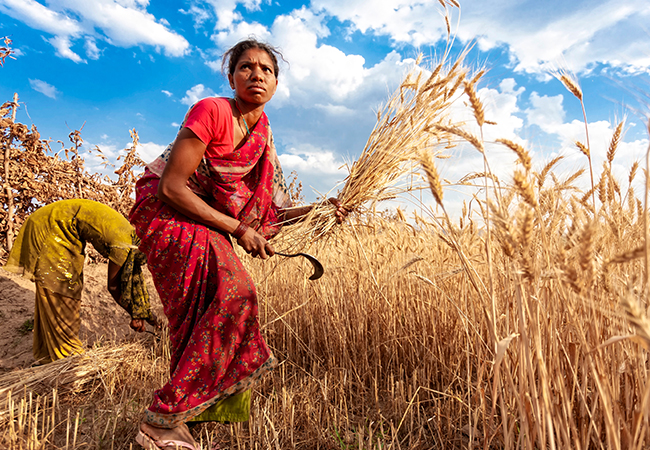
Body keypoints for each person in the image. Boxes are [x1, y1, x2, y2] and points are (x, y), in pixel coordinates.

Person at [129, 38, 347, 450]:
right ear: (232, 78)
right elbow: (171, 187)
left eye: (266, 69)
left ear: (277, 83)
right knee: (236, 293)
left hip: (205, 220)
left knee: (204, 313)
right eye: (246, 67)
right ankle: (164, 417)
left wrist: (321, 209)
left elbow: (270, 211)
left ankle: (188, 420)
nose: (256, 74)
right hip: (166, 210)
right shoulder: (211, 111)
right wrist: (238, 229)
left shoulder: (262, 134)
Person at [4, 199, 157, 365]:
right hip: (52, 228)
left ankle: (49, 355)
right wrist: (136, 314)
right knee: (62, 290)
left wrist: (147, 316)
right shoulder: (124, 246)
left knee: (68, 288)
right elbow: (113, 286)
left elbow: (128, 283)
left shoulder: (132, 236)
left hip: (62, 229)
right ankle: (68, 358)